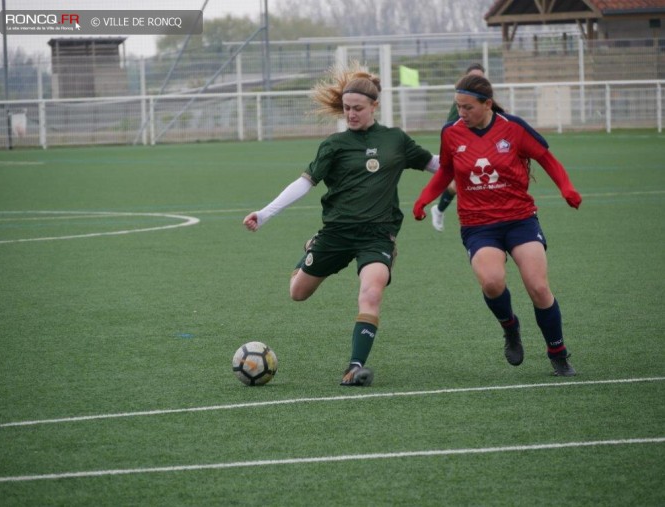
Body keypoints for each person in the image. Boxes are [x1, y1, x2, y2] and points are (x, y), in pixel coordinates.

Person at [243, 63, 439, 386]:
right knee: (298, 293)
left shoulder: (396, 141)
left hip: (378, 234)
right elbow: (304, 184)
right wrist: (264, 214)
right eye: (346, 108)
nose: (350, 114)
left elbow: (435, 165)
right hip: (336, 233)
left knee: (371, 292)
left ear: (374, 106)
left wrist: (468, 168)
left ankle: (354, 366)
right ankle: (310, 248)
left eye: (357, 109)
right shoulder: (334, 145)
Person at [413, 74, 582, 376]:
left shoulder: (513, 128)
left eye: (467, 108)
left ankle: (557, 352)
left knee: (539, 287)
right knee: (492, 282)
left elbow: (546, 158)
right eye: (458, 107)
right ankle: (511, 328)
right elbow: (445, 172)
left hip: (520, 219)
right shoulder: (451, 133)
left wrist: (566, 187)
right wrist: (424, 198)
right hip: (479, 225)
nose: (461, 114)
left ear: (487, 104)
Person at [430, 63, 486, 232]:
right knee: (464, 183)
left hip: (481, 149)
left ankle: (439, 210)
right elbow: (450, 128)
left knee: (467, 183)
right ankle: (441, 210)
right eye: (474, 77)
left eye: (481, 77)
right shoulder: (462, 102)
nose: (478, 81)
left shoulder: (485, 100)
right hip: (463, 149)